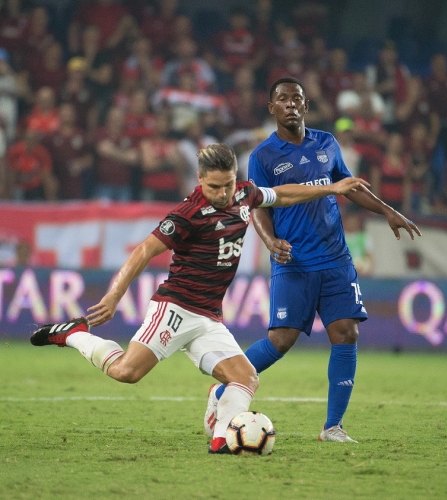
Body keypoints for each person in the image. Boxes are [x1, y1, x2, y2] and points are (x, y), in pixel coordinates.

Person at [28, 142, 369, 454]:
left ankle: (222, 440)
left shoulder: (244, 194)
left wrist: (332, 188)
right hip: (175, 308)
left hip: (209, 317)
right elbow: (144, 250)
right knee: (126, 372)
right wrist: (114, 296)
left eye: (228, 184)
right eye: (214, 186)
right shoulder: (188, 213)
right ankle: (74, 335)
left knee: (247, 378)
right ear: (200, 179)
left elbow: (282, 195)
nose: (222, 193)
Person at [206, 77, 421, 443]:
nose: (291, 104)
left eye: (297, 98)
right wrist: (270, 241)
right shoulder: (262, 157)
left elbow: (349, 187)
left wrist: (387, 210)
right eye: (282, 99)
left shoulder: (327, 143)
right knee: (281, 340)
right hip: (294, 260)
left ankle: (333, 426)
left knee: (346, 332)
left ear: (306, 105)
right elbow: (258, 207)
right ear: (271, 108)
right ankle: (224, 390)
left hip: (335, 258)